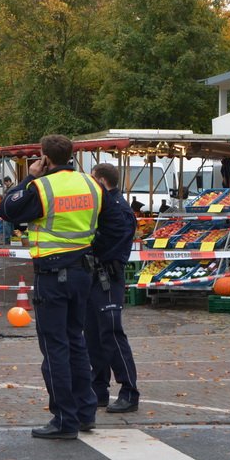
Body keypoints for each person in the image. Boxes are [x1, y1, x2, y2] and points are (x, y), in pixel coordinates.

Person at [0, 134, 102, 440]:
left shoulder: (41, 187)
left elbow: (7, 211)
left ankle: (64, 419)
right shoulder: (91, 185)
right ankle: (86, 413)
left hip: (52, 276)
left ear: (45, 157)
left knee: (55, 347)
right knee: (77, 341)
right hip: (83, 273)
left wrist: (28, 177)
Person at [85, 163, 140, 413]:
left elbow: (106, 245)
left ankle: (129, 391)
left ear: (101, 182)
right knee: (93, 335)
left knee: (111, 333)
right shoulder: (104, 208)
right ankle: (99, 390)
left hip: (107, 276)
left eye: (92, 180)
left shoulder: (118, 210)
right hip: (94, 277)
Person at [1, 176, 15, 245]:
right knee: (11, 224)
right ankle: (11, 239)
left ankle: (7, 240)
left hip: (9, 209)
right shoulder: (9, 188)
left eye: (5, 183)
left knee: (7, 224)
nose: (5, 184)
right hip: (10, 208)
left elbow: (9, 197)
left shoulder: (12, 188)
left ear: (9, 181)